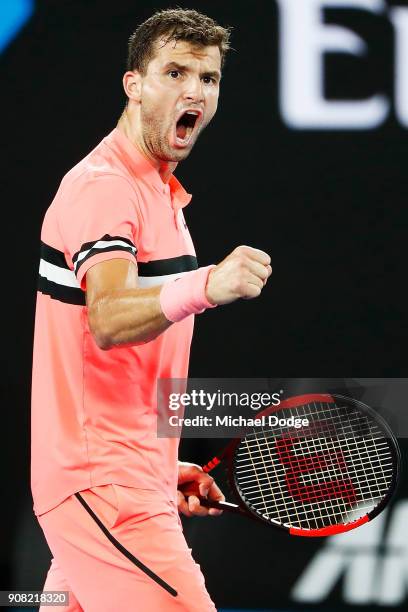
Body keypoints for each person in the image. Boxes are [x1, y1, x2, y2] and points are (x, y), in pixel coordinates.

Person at [31, 8, 272, 611]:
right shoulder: (104, 187)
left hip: (119, 478)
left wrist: (164, 466)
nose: (194, 91)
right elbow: (108, 318)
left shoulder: (157, 189)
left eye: (209, 78)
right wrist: (208, 284)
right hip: (105, 489)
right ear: (133, 84)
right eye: (174, 72)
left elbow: (122, 367)